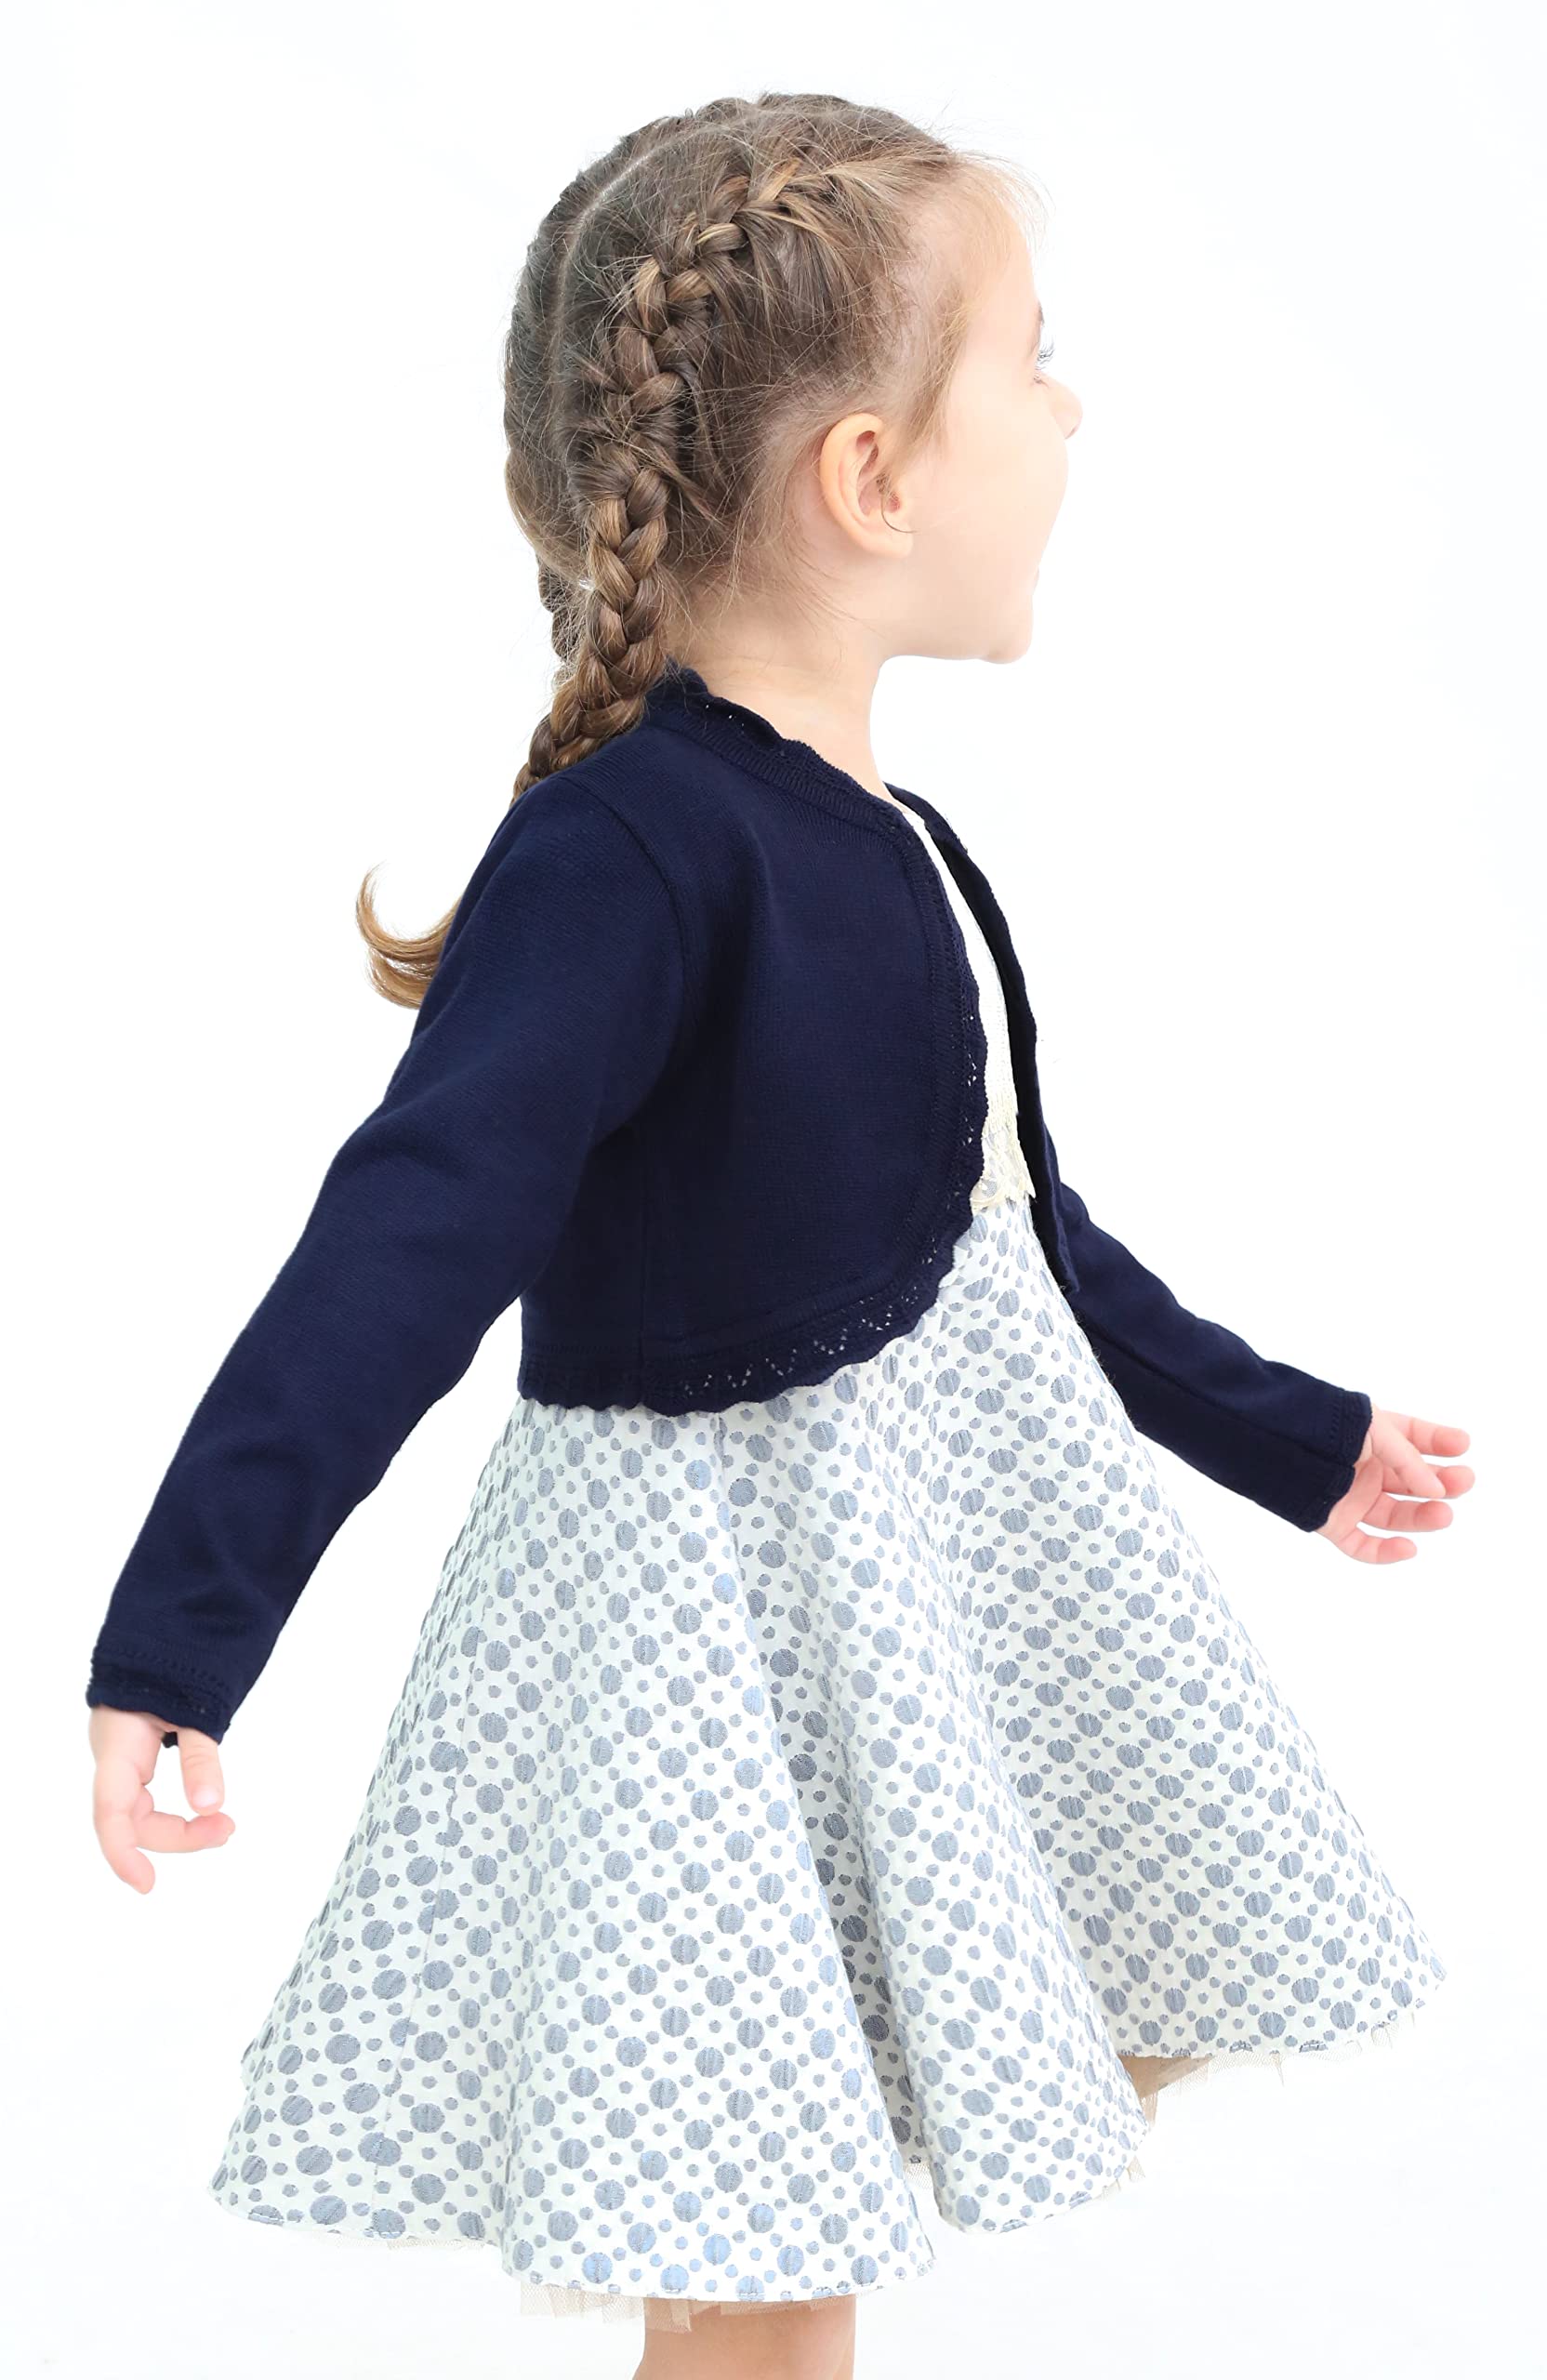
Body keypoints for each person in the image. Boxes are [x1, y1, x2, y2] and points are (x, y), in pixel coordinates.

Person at [85, 93, 1464, 2377]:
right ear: (868, 477)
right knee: (752, 2246)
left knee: (817, 2214)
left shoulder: (893, 838)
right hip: (710, 1649)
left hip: (903, 1614)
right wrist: (184, 1628)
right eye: (1031, 360)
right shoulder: (628, 852)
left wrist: (1290, 1435)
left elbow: (1015, 1231)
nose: (1073, 408)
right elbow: (409, 1233)